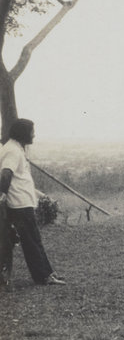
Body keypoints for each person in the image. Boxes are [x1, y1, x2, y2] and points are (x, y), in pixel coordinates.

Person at [0, 118, 64, 288]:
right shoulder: (12, 151)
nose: (34, 135)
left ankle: (46, 274)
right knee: (32, 241)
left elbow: (17, 178)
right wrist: (3, 195)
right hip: (19, 205)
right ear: (23, 133)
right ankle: (44, 276)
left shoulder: (16, 149)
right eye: (31, 132)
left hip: (24, 203)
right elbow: (6, 174)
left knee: (34, 239)